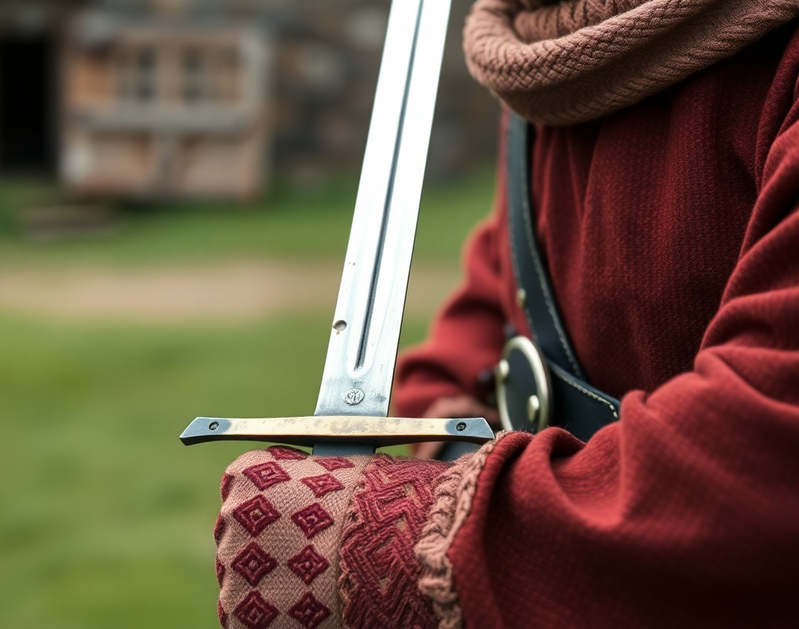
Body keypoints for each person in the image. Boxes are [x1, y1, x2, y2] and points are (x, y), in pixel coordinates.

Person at [213, 1, 799, 628]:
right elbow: (506, 282)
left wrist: (410, 535)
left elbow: (772, 441)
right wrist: (444, 426)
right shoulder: (543, 34)